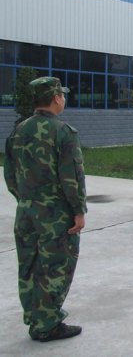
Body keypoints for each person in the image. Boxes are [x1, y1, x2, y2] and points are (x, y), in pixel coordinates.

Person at [4, 77, 86, 342]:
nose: (63, 99)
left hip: (26, 211)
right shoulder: (62, 132)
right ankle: (47, 324)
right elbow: (71, 178)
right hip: (55, 214)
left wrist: (26, 200)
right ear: (56, 98)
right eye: (62, 95)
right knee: (56, 267)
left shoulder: (18, 130)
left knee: (29, 265)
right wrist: (78, 210)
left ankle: (35, 317)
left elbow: (10, 175)